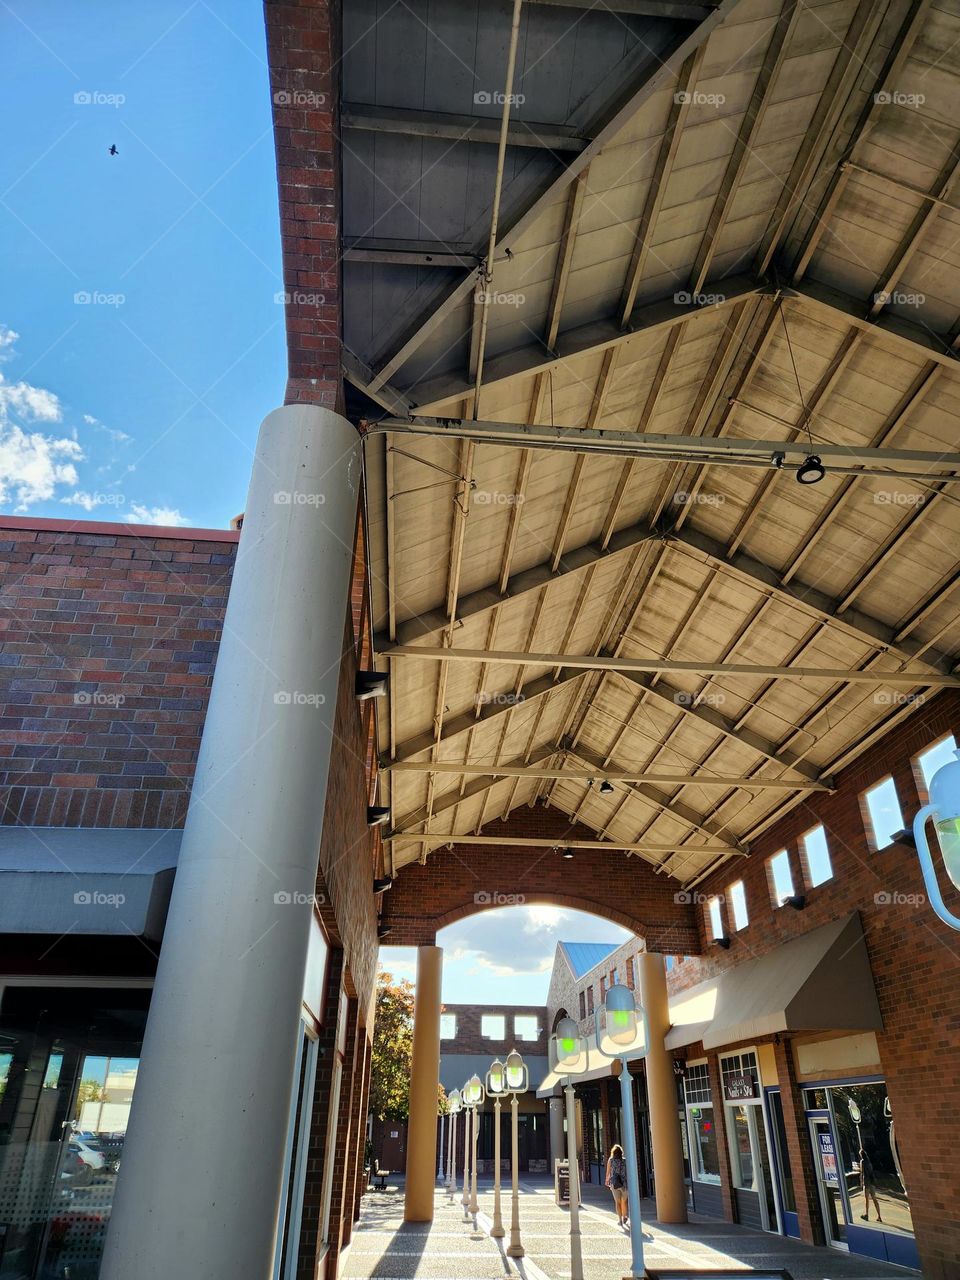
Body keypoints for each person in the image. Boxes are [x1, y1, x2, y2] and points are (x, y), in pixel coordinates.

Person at [605, 1144, 629, 1227]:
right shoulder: (625, 1161)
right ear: (621, 1152)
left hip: (614, 1183)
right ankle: (625, 1216)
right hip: (624, 1184)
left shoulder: (610, 1160)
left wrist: (607, 1181)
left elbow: (608, 1172)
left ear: (613, 1152)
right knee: (624, 1201)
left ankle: (620, 1220)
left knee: (617, 1202)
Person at [859, 1148, 883, 1223]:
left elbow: (862, 1172)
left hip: (866, 1182)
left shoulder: (862, 1162)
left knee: (866, 1199)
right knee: (874, 1199)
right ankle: (879, 1216)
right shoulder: (869, 1162)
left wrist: (861, 1182)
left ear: (861, 1155)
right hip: (872, 1182)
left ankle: (866, 1214)